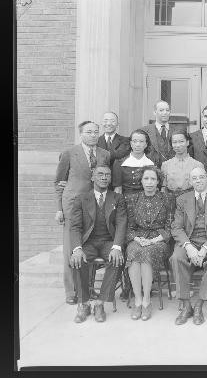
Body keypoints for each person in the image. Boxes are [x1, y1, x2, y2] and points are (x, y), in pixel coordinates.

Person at [54, 121, 110, 304]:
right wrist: (58, 209)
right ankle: (71, 292)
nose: (93, 135)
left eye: (95, 132)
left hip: (94, 206)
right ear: (81, 134)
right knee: (72, 249)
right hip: (72, 205)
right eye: (89, 132)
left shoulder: (104, 154)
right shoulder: (69, 154)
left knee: (89, 245)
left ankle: (88, 289)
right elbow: (59, 182)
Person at [68, 166, 127, 323]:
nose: (104, 177)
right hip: (89, 242)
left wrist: (116, 247)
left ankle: (100, 303)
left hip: (109, 241)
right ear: (92, 177)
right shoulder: (81, 199)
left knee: (118, 259)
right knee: (76, 259)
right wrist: (77, 248)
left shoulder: (117, 198)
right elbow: (75, 227)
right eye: (100, 174)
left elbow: (121, 224)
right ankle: (84, 303)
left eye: (107, 175)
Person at [171, 167, 207, 325]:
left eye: (201, 177)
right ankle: (187, 305)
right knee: (176, 257)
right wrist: (189, 247)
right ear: (190, 181)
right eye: (195, 178)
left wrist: (204, 249)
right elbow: (176, 227)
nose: (198, 181)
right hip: (189, 240)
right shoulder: (182, 199)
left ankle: (199, 305)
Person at [125, 165, 175, 321]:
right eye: (146, 178)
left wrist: (153, 240)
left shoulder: (167, 198)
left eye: (153, 179)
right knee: (133, 252)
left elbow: (170, 227)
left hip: (159, 239)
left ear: (158, 181)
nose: (149, 182)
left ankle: (146, 301)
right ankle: (137, 300)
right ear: (141, 181)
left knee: (146, 253)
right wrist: (136, 238)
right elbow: (130, 227)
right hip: (139, 237)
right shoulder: (133, 198)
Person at [161, 130, 204, 199]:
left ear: (187, 142)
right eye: (174, 142)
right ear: (171, 144)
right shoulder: (165, 165)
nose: (178, 145)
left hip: (191, 201)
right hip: (170, 201)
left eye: (181, 141)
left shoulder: (197, 165)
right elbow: (163, 188)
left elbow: (201, 189)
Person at [112, 129, 155, 196]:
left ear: (146, 144)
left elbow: (155, 189)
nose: (138, 145)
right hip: (126, 201)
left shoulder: (152, 163)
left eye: (141, 141)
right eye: (135, 141)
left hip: (147, 201)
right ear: (131, 143)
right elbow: (118, 189)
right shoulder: (119, 163)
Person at [141, 100, 174, 168]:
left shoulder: (178, 131)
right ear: (154, 112)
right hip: (151, 171)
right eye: (161, 110)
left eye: (167, 110)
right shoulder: (144, 132)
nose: (165, 113)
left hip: (172, 172)